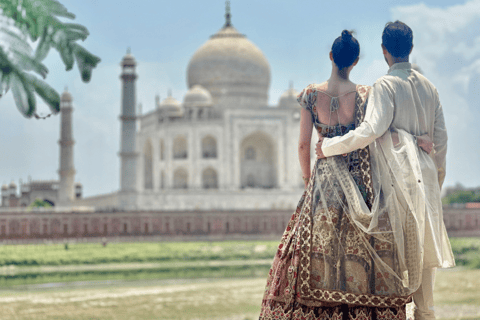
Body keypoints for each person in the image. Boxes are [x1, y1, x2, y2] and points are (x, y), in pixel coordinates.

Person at [259, 30, 435, 320]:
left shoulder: (310, 95)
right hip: (361, 181)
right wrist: (415, 140)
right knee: (365, 250)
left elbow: (304, 144)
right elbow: (378, 133)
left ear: (331, 57)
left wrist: (307, 180)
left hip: (324, 180)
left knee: (317, 249)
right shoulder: (365, 94)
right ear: (355, 61)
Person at [315, 21, 455, 320]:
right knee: (424, 264)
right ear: (411, 48)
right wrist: (435, 181)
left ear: (383, 51)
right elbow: (440, 142)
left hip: (397, 182)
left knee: (396, 257)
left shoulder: (386, 85)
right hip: (425, 180)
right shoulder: (430, 88)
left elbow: (370, 131)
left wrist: (328, 146)